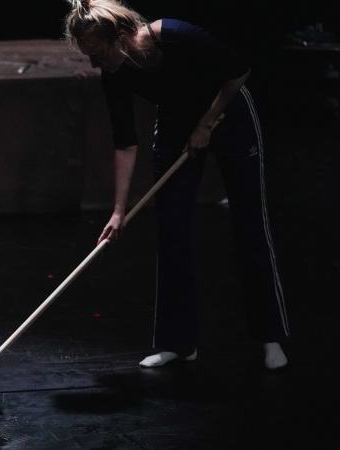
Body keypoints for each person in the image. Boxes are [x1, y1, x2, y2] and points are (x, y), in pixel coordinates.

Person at [64, 0, 289, 369]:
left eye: (98, 54)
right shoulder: (114, 73)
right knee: (171, 230)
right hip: (175, 125)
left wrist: (206, 123)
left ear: (121, 37)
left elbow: (239, 70)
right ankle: (177, 342)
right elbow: (125, 142)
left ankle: (271, 337)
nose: (94, 64)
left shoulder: (175, 35)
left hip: (228, 114)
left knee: (250, 226)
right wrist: (118, 212)